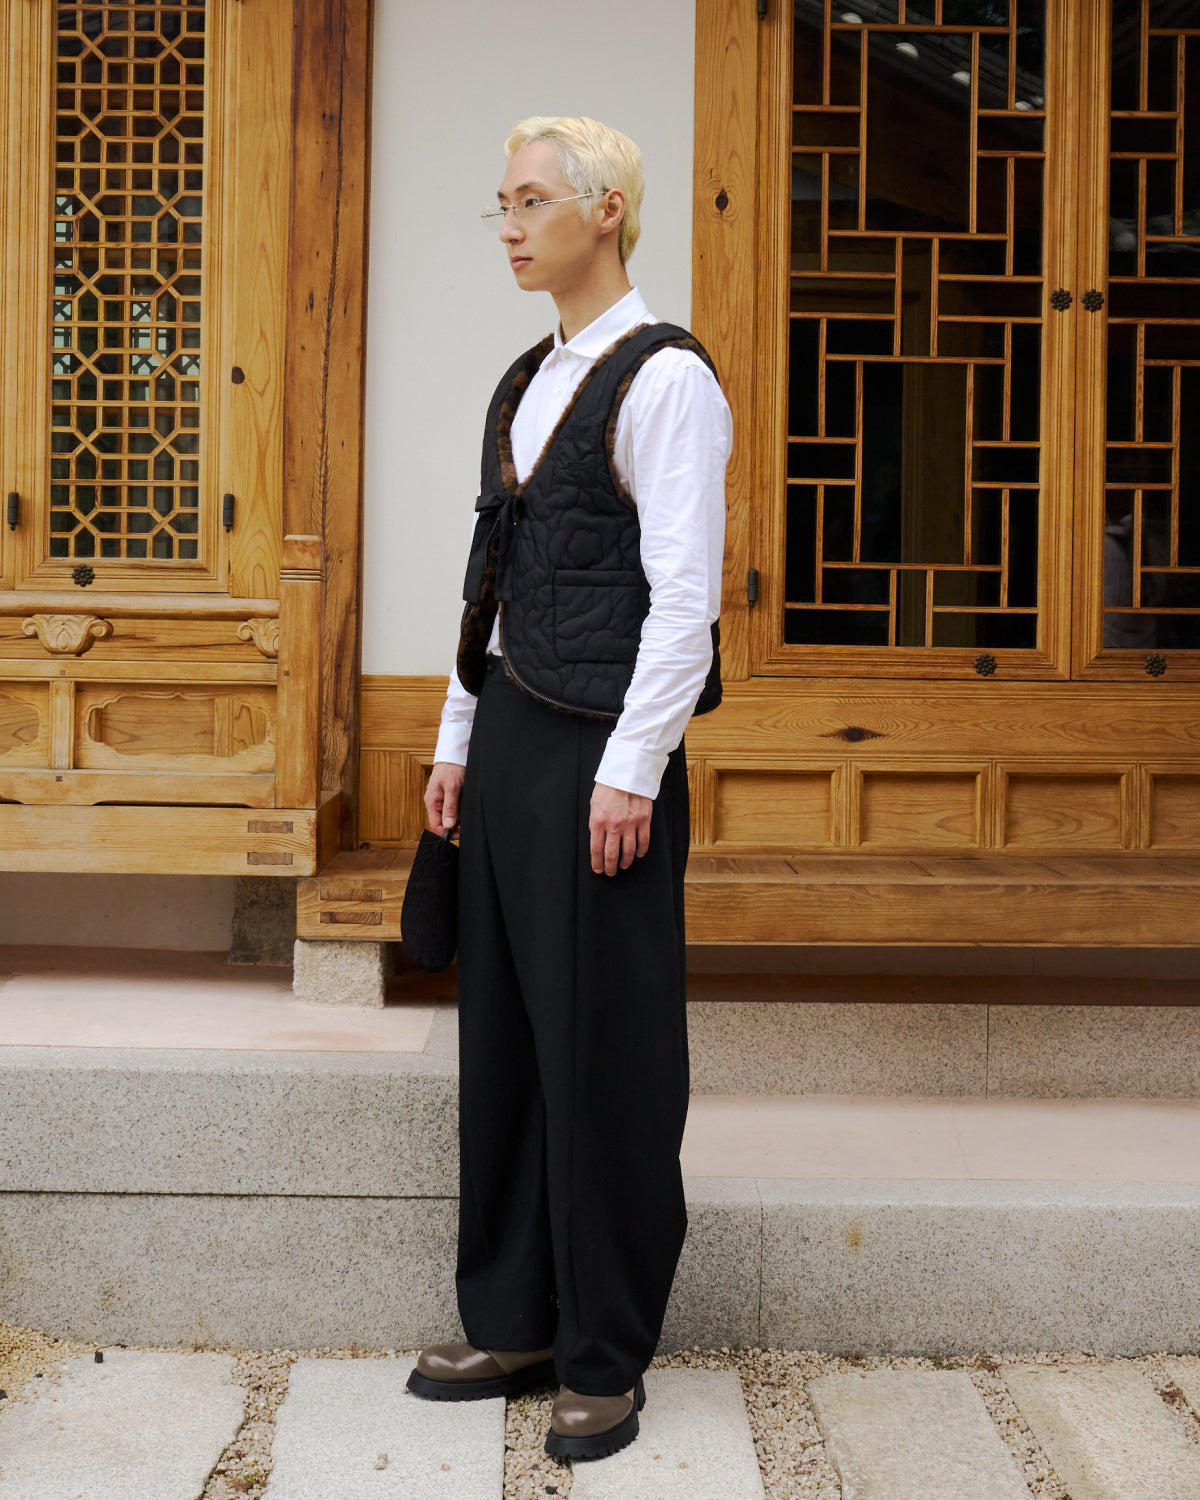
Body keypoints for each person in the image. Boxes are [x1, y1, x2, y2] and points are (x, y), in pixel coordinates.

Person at [405, 114, 731, 1462]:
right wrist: (453, 738)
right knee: (511, 1050)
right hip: (516, 752)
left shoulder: (668, 382)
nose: (508, 223)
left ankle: (606, 1352)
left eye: (531, 199)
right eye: (501, 201)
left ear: (606, 211)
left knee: (608, 1060)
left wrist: (634, 770)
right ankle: (517, 1316)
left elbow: (685, 602)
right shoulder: (523, 382)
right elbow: (493, 586)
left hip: (608, 762)